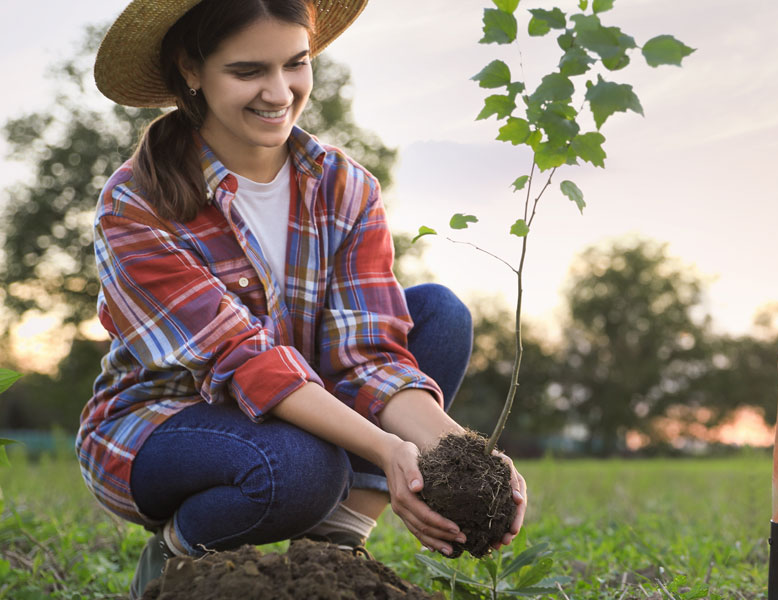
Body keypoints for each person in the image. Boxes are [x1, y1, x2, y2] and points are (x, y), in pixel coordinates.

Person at [77, 1, 527, 597]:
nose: (279, 92)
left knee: (438, 314)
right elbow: (245, 361)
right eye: (247, 72)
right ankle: (177, 559)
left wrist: (463, 454)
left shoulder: (345, 186)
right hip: (162, 426)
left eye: (296, 64)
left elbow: (366, 357)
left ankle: (336, 546)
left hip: (300, 403)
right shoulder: (136, 204)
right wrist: (387, 449)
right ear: (192, 70)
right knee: (305, 467)